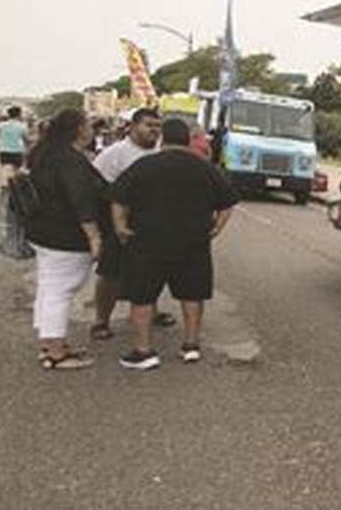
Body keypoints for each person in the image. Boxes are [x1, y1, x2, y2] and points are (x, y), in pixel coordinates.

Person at [111, 118, 237, 369]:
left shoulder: (144, 165)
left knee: (143, 297)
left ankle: (144, 351)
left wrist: (120, 227)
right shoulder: (205, 168)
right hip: (193, 243)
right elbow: (228, 202)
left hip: (147, 242)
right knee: (192, 294)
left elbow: (118, 198)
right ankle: (191, 345)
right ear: (188, 140)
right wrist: (216, 229)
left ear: (162, 139)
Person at [26, 108, 103, 369]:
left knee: (49, 288)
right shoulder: (69, 159)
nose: (92, 130)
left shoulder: (44, 153)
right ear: (79, 129)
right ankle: (56, 353)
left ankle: (50, 344)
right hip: (65, 235)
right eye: (89, 125)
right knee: (61, 291)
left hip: (43, 231)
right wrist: (93, 236)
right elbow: (80, 199)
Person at [89, 107, 173, 338]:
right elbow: (96, 188)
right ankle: (101, 321)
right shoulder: (114, 154)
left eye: (158, 127)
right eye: (149, 125)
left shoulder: (162, 153)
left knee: (153, 272)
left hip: (154, 225)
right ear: (133, 126)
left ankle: (152, 312)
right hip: (118, 225)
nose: (154, 131)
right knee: (110, 274)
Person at [0, 106, 30, 178]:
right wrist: (27, 148)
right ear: (19, 114)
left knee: (7, 168)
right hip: (18, 150)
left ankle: (8, 184)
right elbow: (25, 139)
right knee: (17, 169)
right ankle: (15, 185)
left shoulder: (1, 125)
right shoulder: (22, 126)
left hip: (4, 150)